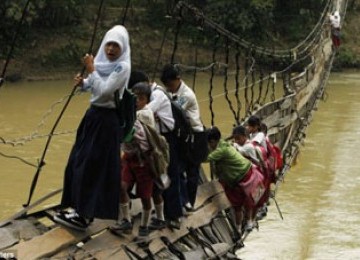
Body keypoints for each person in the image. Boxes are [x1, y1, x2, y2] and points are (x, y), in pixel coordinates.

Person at [53, 25, 131, 231]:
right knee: (77, 161)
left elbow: (105, 91)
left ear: (123, 48)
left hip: (106, 121)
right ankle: (78, 207)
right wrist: (84, 83)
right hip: (93, 117)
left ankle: (85, 215)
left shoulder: (122, 67)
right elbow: (95, 85)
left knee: (92, 166)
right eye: (108, 45)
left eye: (116, 46)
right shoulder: (102, 64)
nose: (111, 50)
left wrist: (91, 70)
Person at [126, 70, 183, 229]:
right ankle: (159, 213)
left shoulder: (156, 95)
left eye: (138, 95)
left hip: (164, 139)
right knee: (157, 178)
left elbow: (141, 112)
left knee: (166, 176)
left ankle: (173, 216)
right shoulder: (151, 93)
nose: (136, 99)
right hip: (152, 138)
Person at [110, 82, 164, 239]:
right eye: (135, 98)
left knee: (146, 196)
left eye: (141, 98)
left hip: (144, 161)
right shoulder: (133, 112)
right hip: (130, 157)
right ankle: (126, 221)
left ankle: (144, 225)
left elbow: (127, 133)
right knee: (122, 186)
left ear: (147, 100)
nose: (137, 101)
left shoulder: (143, 115)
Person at [160, 64, 208, 213]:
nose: (169, 88)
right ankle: (183, 201)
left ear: (178, 79)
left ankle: (189, 203)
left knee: (192, 172)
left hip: (196, 137)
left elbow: (172, 111)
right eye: (166, 86)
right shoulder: (172, 91)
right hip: (185, 137)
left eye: (170, 85)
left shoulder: (186, 95)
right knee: (179, 170)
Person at [206, 126, 266, 233]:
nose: (208, 146)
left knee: (243, 203)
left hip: (243, 176)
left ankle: (243, 225)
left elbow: (207, 158)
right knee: (242, 203)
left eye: (209, 143)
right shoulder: (223, 144)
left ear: (213, 141)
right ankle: (243, 226)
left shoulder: (221, 150)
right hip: (240, 176)